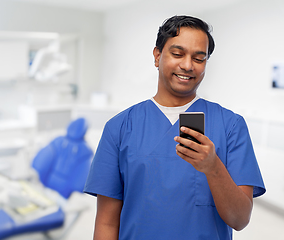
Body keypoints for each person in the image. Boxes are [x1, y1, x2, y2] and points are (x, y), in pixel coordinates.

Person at [83, 15, 266, 240]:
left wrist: (213, 167)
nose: (187, 65)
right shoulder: (119, 128)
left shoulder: (230, 126)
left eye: (199, 58)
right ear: (157, 56)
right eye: (178, 54)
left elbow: (240, 220)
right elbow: (106, 223)